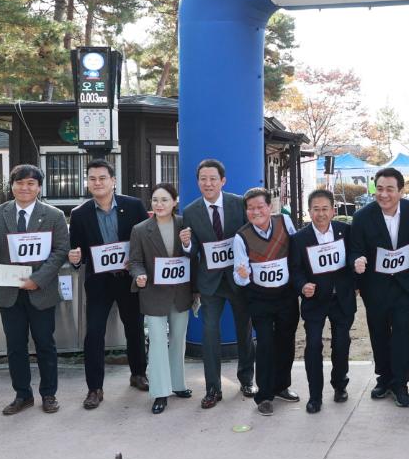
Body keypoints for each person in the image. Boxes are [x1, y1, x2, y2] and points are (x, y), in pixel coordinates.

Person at [0, 164, 69, 415]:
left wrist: (38, 279)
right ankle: (22, 395)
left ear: (39, 187)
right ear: (12, 185)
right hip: (9, 290)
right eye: (20, 183)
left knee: (45, 344)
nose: (24, 188)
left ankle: (49, 394)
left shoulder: (54, 215)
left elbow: (60, 252)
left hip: (41, 290)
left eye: (30, 183)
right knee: (15, 346)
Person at [67, 159, 150, 409]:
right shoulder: (80, 214)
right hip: (99, 282)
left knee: (134, 328)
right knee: (94, 333)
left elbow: (146, 239)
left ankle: (138, 373)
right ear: (88, 183)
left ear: (113, 181)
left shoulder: (134, 206)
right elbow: (76, 252)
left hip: (128, 280)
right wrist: (75, 258)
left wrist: (137, 265)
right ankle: (94, 388)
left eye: (102, 178)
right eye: (92, 179)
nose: (97, 182)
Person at [181, 159, 255, 409]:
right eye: (203, 179)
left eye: (213, 178)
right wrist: (187, 245)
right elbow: (192, 253)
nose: (208, 183)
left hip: (238, 278)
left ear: (223, 181)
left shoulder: (238, 204)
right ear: (198, 182)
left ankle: (247, 379)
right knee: (210, 333)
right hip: (210, 282)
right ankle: (213, 388)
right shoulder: (190, 211)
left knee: (244, 331)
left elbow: (251, 237)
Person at [349, 167, 409, 407]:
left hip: (404, 284)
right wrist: (357, 261)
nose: (384, 194)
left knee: (402, 332)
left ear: (401, 191)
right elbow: (355, 248)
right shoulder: (362, 216)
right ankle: (384, 378)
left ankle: (401, 384)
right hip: (375, 286)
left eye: (390, 189)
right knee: (379, 332)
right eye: (379, 189)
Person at [232, 187, 300, 416]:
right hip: (259, 297)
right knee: (265, 344)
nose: (256, 212)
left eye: (260, 206)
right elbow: (239, 277)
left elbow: (298, 251)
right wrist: (242, 275)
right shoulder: (241, 237)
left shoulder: (285, 222)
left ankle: (282, 386)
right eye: (250, 208)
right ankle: (265, 395)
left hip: (286, 295)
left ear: (270, 207)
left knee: (286, 341)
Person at [128, 183, 195, 414]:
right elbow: (135, 261)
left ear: (175, 201)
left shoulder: (185, 224)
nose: (159, 204)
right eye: (155, 200)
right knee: (157, 342)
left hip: (180, 292)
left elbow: (194, 254)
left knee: (178, 339)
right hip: (153, 293)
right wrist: (139, 275)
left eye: (165, 200)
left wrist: (187, 243)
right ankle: (160, 392)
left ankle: (177, 384)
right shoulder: (140, 229)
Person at [289, 189, 354, 414]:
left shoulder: (345, 231)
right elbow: (295, 270)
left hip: (341, 299)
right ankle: (315, 395)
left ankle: (339, 384)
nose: (321, 214)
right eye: (316, 209)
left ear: (333, 210)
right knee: (314, 345)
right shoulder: (299, 238)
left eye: (325, 209)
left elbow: (354, 258)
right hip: (315, 301)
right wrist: (302, 285)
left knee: (342, 343)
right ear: (309, 212)